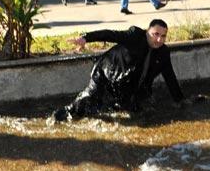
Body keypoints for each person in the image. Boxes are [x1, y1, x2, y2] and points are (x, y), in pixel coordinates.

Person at [52, 19, 186, 121]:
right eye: (155, 34)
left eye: (163, 36)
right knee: (88, 101)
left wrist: (181, 101)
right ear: (147, 32)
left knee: (136, 111)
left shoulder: (163, 52)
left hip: (126, 82)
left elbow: (170, 77)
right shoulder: (135, 35)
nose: (159, 39)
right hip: (106, 72)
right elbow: (111, 35)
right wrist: (86, 38)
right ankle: (61, 116)